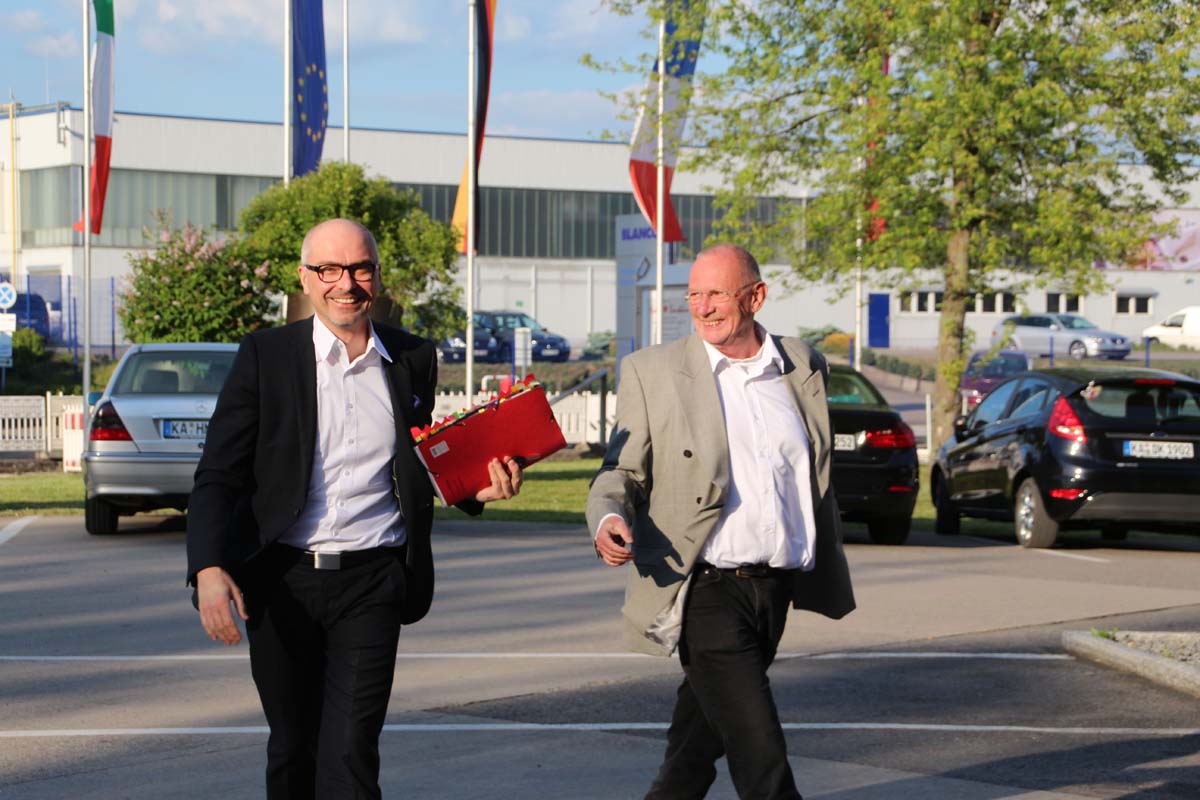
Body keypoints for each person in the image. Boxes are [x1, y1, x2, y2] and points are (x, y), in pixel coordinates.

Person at [186, 218, 523, 799]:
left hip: (373, 580)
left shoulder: (412, 357)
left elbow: (416, 463)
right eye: (329, 270)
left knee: (350, 754)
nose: (346, 283)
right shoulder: (266, 356)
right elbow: (220, 472)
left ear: (377, 276)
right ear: (305, 278)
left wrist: (474, 491)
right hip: (283, 580)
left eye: (360, 268)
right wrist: (209, 567)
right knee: (294, 748)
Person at [587, 243, 856, 800]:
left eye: (716, 294)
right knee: (760, 750)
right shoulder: (654, 372)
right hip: (705, 587)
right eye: (694, 294)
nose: (702, 307)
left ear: (755, 297)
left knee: (695, 749)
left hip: (775, 588)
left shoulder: (802, 364)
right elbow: (623, 469)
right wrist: (609, 514)